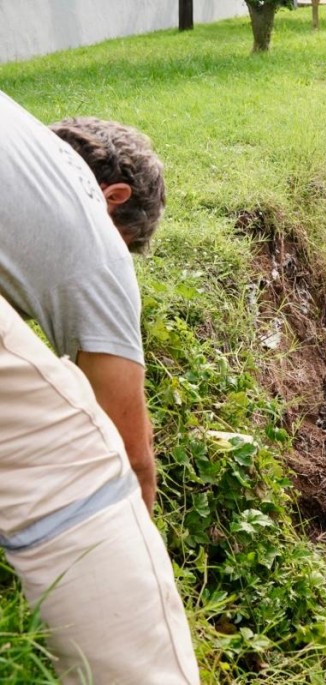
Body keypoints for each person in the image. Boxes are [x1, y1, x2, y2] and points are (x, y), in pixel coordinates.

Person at [0, 90, 200, 683]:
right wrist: (135, 539)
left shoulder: (26, 145)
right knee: (71, 460)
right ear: (113, 199)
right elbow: (129, 455)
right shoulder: (97, 242)